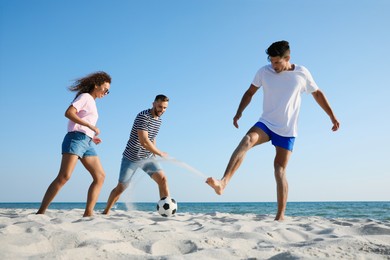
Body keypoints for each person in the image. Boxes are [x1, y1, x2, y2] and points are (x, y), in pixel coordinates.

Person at [206, 40, 340, 221]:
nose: (273, 65)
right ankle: (223, 183)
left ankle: (280, 216)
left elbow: (317, 93)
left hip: (287, 130)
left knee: (279, 170)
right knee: (247, 140)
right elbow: (249, 92)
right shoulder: (264, 71)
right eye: (271, 61)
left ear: (288, 58)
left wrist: (331, 116)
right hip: (266, 123)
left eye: (277, 62)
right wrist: (239, 113)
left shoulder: (302, 73)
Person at [37, 71, 111, 217]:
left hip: (86, 142)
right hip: (75, 139)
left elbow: (83, 122)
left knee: (100, 176)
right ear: (96, 85)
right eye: (105, 89)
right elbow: (69, 113)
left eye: (108, 91)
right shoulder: (85, 97)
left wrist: (91, 136)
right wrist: (90, 127)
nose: (106, 93)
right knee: (64, 176)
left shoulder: (92, 102)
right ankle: (41, 212)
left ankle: (88, 213)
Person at [103, 94, 170, 214]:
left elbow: (152, 138)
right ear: (153, 104)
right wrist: (159, 152)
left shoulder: (159, 120)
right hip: (131, 158)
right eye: (160, 106)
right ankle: (106, 211)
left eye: (165, 108)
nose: (162, 110)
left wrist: (154, 152)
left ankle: (167, 210)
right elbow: (144, 141)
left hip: (147, 157)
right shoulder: (143, 116)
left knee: (163, 179)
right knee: (121, 188)